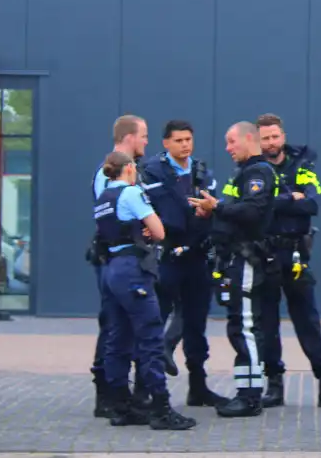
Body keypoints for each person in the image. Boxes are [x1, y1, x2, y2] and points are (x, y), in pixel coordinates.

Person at [93, 151, 197, 430]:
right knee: (150, 336)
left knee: (117, 338)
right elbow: (159, 231)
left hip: (112, 269)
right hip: (132, 269)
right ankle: (161, 408)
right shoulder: (130, 194)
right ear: (128, 168)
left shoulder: (103, 199)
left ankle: (120, 406)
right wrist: (147, 230)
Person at [253, 113, 321, 409]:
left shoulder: (302, 165)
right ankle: (274, 383)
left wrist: (278, 201)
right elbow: (255, 207)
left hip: (295, 253)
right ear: (258, 141)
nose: (271, 142)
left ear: (283, 136)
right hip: (265, 254)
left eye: (275, 136)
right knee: (266, 322)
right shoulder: (253, 169)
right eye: (265, 138)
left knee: (308, 320)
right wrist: (287, 198)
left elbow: (312, 203)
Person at [189, 121, 280, 418]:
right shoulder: (244, 172)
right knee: (238, 325)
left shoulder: (258, 172)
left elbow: (252, 213)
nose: (227, 148)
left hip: (248, 260)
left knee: (246, 327)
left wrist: (217, 208)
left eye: (231, 142)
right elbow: (234, 214)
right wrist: (212, 212)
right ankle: (246, 390)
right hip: (233, 260)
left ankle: (251, 396)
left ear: (249, 138)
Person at [138, 120, 226, 408]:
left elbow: (214, 206)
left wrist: (208, 214)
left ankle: (198, 388)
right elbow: (149, 210)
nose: (185, 145)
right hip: (166, 256)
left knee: (196, 325)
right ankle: (144, 391)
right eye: (178, 140)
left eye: (188, 139)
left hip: (197, 256)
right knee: (155, 321)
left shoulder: (201, 171)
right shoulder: (151, 172)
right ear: (165, 143)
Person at [90, 115, 150, 418]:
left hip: (118, 259)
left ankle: (117, 397)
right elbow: (111, 219)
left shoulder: (120, 172)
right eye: (143, 136)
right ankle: (109, 395)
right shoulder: (111, 175)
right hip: (117, 260)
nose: (146, 142)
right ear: (128, 137)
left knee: (118, 326)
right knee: (114, 327)